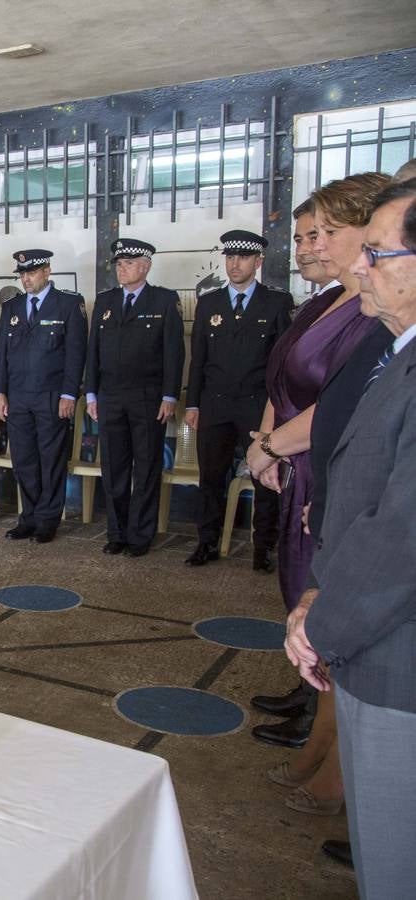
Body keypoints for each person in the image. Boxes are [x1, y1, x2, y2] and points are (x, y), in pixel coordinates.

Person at [283, 178, 416, 897]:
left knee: (395, 865)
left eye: (377, 252)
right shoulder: (402, 350)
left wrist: (318, 624)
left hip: (397, 657)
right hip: (368, 629)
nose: (361, 266)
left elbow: (404, 535)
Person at [246, 174, 392, 752]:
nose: (308, 246)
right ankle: (307, 693)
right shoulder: (328, 300)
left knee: (320, 586)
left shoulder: (369, 311)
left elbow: (339, 403)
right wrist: (266, 439)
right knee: (297, 580)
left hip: (322, 461)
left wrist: (273, 444)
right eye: (305, 235)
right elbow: (282, 378)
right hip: (293, 458)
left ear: (371, 233)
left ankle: (320, 718)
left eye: (324, 233)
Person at [183, 230, 292, 570]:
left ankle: (264, 548)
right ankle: (207, 542)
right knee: (211, 477)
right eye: (229, 257)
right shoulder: (209, 302)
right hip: (215, 403)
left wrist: (278, 410)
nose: (234, 264)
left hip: (257, 404)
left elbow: (282, 360)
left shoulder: (275, 303)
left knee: (264, 475)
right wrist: (193, 403)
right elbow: (197, 357)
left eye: (242, 257)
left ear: (258, 262)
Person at [84, 239, 184, 557]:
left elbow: (174, 352)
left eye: (128, 262)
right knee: (114, 467)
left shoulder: (164, 301)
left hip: (147, 397)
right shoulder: (106, 301)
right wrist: (91, 393)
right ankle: (117, 532)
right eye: (118, 263)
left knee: (146, 467)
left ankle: (141, 535)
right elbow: (93, 351)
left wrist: (169, 396)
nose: (121, 268)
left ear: (146, 265)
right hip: (110, 396)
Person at [0, 249, 87, 543]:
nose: (26, 278)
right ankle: (29, 517)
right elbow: (2, 356)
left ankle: (48, 520)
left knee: (51, 461)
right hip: (18, 397)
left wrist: (70, 394)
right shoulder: (12, 307)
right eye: (22, 273)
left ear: (47, 271)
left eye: (31, 272)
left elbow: (75, 354)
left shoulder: (69, 305)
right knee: (24, 461)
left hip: (51, 396)